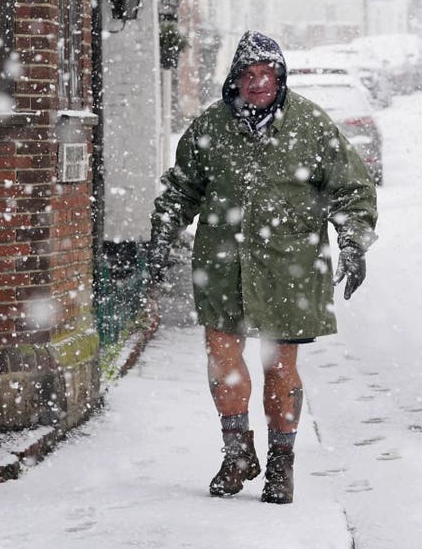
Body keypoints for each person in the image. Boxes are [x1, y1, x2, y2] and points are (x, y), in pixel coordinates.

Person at [148, 30, 378, 504]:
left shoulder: (310, 125)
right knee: (222, 359)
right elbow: (182, 188)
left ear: (280, 78)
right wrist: (163, 231)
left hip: (289, 264)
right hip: (222, 262)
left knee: (279, 366)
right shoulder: (211, 127)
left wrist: (353, 241)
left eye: (266, 75)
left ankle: (280, 464)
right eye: (248, 76)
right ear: (235, 80)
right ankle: (237, 454)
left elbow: (352, 189)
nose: (257, 84)